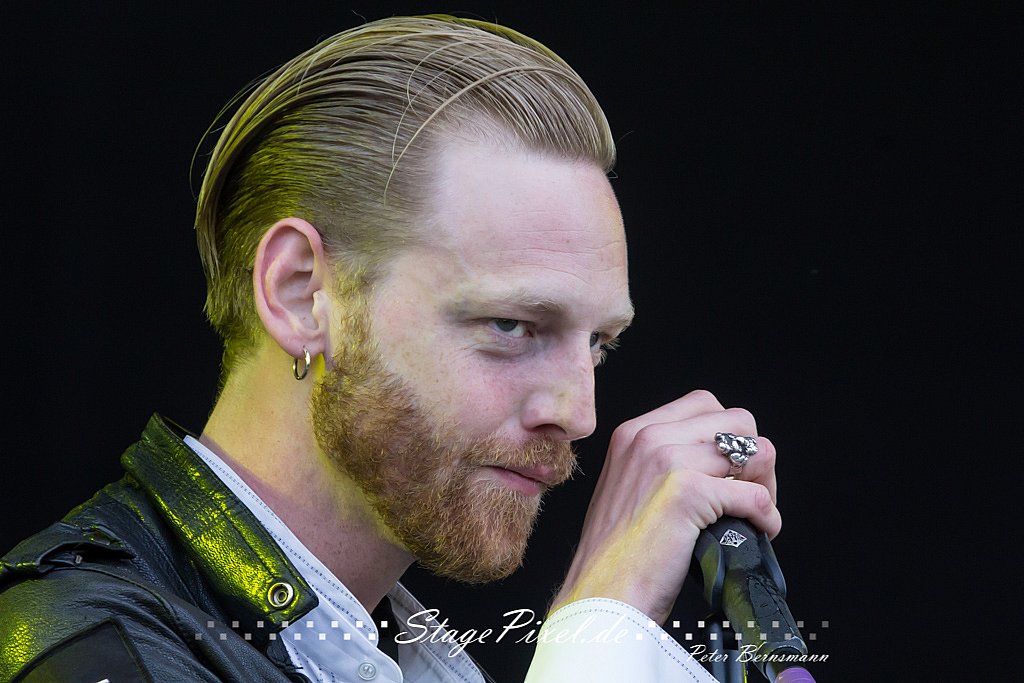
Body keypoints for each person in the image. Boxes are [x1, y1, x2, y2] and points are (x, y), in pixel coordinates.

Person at [0, 15, 780, 683]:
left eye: (600, 343)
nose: (578, 414)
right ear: (302, 294)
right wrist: (600, 639)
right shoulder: (87, 645)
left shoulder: (398, 653)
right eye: (511, 325)